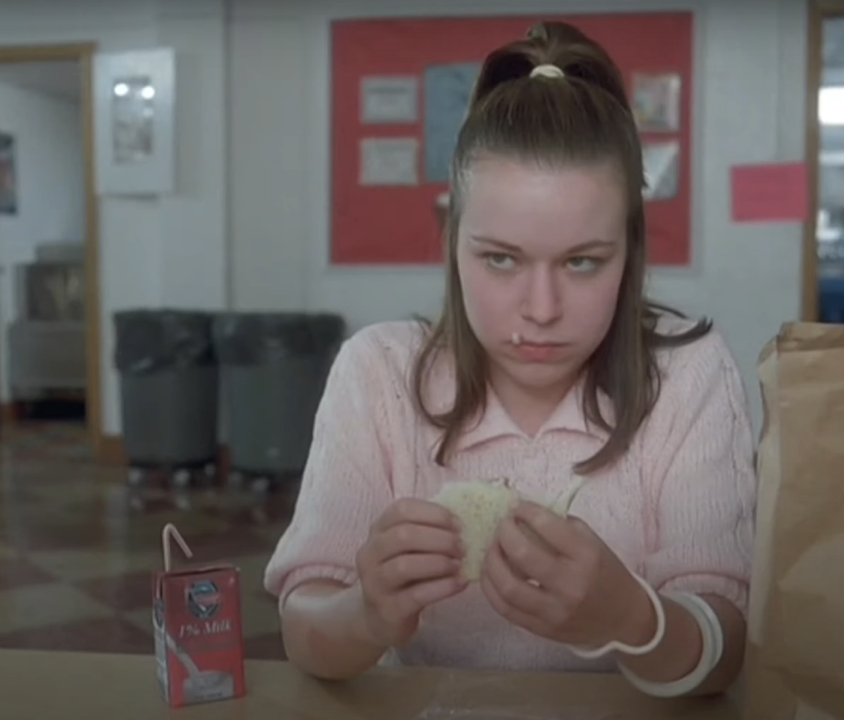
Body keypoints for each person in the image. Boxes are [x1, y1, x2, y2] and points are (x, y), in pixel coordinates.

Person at [263, 22, 755, 698]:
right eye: (501, 259)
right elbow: (306, 634)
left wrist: (636, 621)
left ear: (630, 252)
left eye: (583, 262)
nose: (542, 308)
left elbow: (725, 651)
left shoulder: (689, 372)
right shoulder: (376, 374)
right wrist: (366, 612)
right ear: (452, 243)